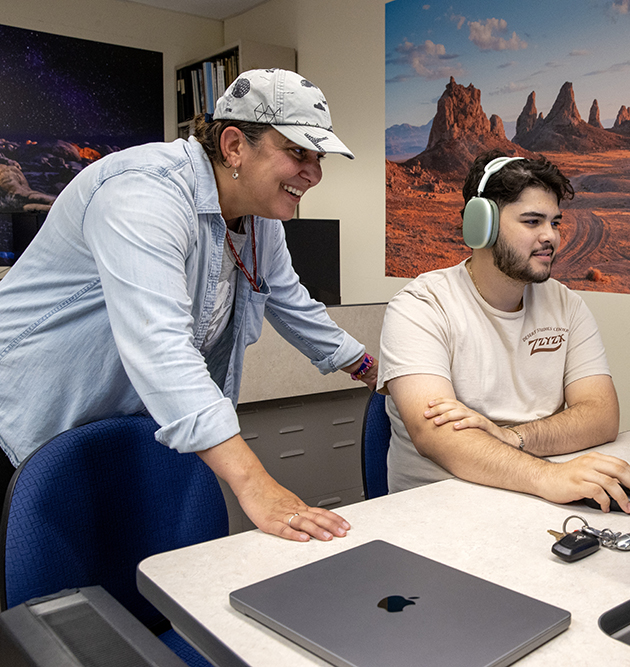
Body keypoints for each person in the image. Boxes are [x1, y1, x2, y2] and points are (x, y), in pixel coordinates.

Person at [0, 69, 375, 542]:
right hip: (20, 423)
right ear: (234, 145)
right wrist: (257, 485)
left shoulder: (259, 223)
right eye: (297, 152)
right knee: (34, 595)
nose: (315, 173)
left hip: (114, 425)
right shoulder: (144, 192)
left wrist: (372, 371)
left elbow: (293, 305)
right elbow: (161, 347)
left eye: (318, 157)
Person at [377, 150, 630, 512]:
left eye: (555, 222)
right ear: (480, 225)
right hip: (439, 513)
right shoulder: (421, 306)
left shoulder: (566, 305)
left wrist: (510, 437)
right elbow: (437, 436)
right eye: (532, 221)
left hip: (534, 498)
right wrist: (548, 476)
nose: (550, 237)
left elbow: (601, 415)